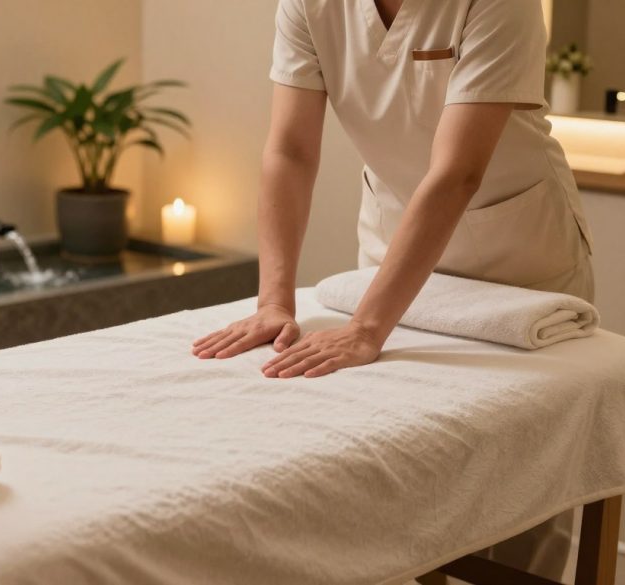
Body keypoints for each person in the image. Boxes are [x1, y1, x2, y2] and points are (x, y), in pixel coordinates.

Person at [192, 0, 593, 580]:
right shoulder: (309, 4)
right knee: (405, 468)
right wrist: (274, 302)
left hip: (520, 261)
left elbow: (458, 172)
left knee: (527, 497)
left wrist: (367, 328)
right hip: (395, 248)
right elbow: (290, 150)